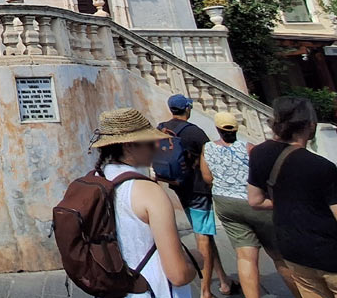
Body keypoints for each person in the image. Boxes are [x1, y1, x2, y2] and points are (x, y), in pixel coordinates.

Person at [92, 107, 198, 298]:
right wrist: (198, 261)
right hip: (154, 289)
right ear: (129, 146)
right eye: (150, 142)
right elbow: (178, 275)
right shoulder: (148, 192)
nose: (156, 147)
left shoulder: (97, 179)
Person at [248, 97, 337, 298]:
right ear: (310, 125)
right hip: (329, 252)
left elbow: (255, 200)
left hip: (292, 249)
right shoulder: (322, 167)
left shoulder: (259, 153)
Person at [201, 111, 296, 298]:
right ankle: (300, 294)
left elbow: (207, 177)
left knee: (245, 256)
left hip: (225, 203)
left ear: (218, 129)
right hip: (253, 202)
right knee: (278, 255)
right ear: (236, 129)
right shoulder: (249, 148)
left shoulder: (208, 148)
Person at [159, 95, 237, 298]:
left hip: (178, 185)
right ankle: (205, 291)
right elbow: (209, 157)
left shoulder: (160, 128)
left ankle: (223, 280)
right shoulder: (194, 132)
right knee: (203, 236)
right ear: (188, 109)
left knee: (205, 233)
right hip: (198, 189)